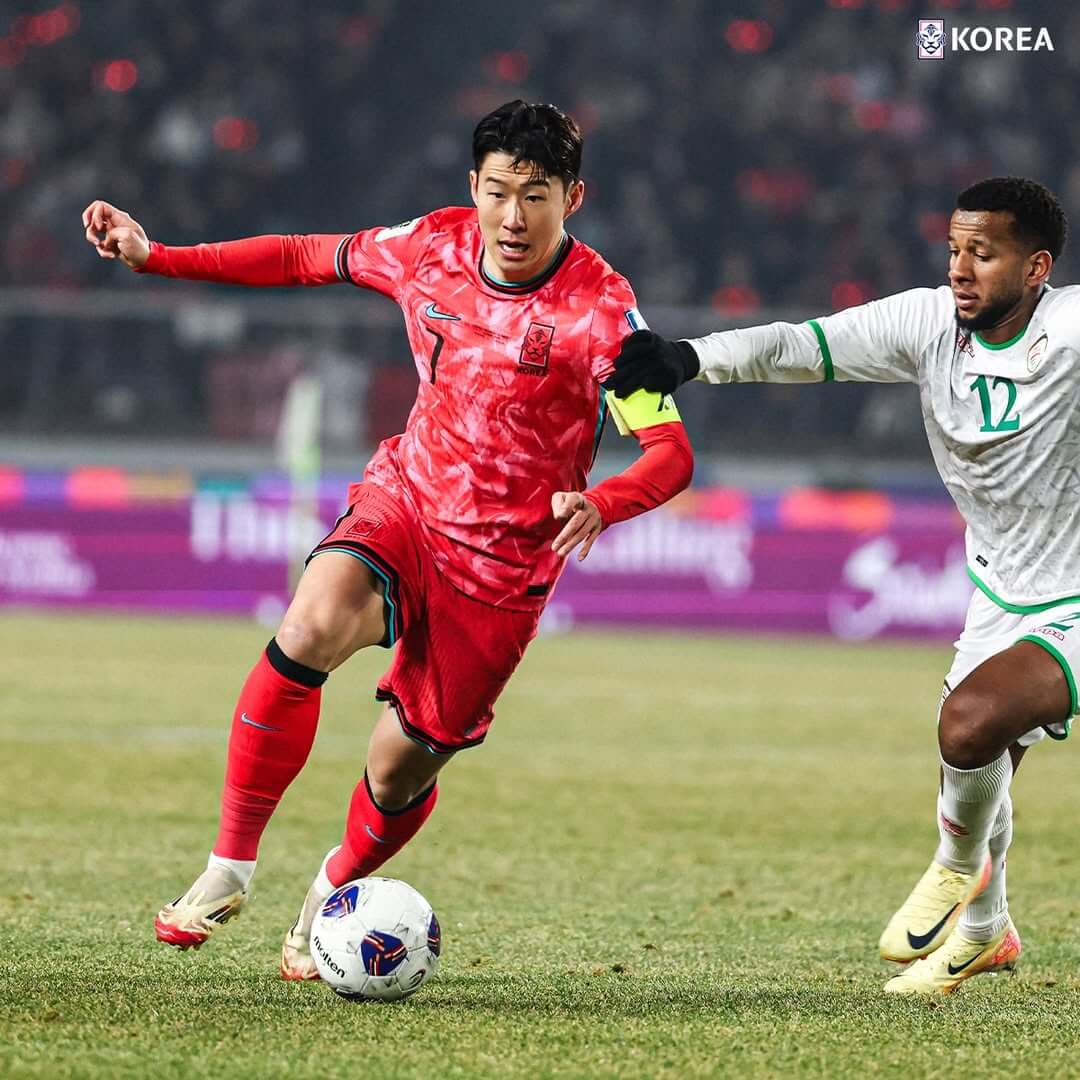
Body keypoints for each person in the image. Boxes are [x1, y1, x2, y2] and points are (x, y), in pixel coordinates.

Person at [84, 100, 693, 979]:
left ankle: (327, 893)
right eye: (497, 192)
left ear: (574, 198)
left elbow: (671, 455)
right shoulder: (431, 246)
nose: (513, 217)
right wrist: (159, 256)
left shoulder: (602, 312)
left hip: (502, 566)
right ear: (471, 189)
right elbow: (302, 257)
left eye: (536, 195)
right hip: (407, 499)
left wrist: (607, 500)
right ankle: (227, 866)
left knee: (400, 770)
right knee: (311, 625)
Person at [605, 176, 1077, 995]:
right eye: (956, 248)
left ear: (1036, 269)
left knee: (967, 727)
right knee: (976, 765)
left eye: (985, 253)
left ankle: (952, 870)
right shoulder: (930, 324)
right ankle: (985, 927)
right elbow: (801, 345)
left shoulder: (1070, 333)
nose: (962, 268)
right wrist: (690, 358)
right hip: (1001, 587)